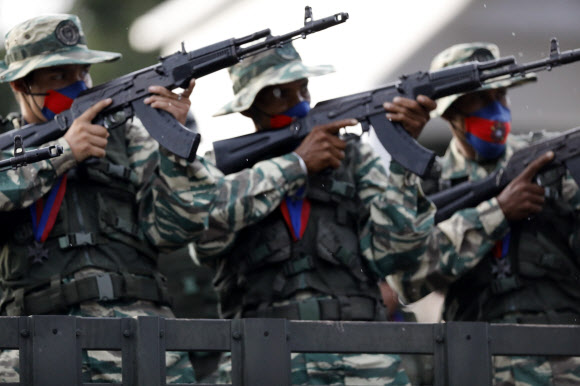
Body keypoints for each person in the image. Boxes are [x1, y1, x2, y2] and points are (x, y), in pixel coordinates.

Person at [193, 41, 437, 385]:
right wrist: (296, 165)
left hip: (361, 356)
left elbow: (395, 255)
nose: (299, 104)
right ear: (249, 108)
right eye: (279, 94)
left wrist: (403, 162)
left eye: (303, 88)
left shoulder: (353, 159)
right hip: (264, 357)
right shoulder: (222, 172)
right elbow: (204, 230)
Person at [0, 14, 221, 383]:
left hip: (143, 341)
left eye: (81, 73)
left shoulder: (129, 137)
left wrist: (175, 151)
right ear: (23, 85)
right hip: (36, 343)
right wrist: (62, 153)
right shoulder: (9, 149)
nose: (77, 87)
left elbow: (175, 230)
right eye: (59, 77)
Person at [389, 42, 580, 385]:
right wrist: (499, 211)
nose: (497, 110)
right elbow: (407, 277)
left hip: (563, 360)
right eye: (481, 100)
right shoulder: (429, 185)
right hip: (474, 361)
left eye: (501, 97)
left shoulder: (553, 163)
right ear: (451, 114)